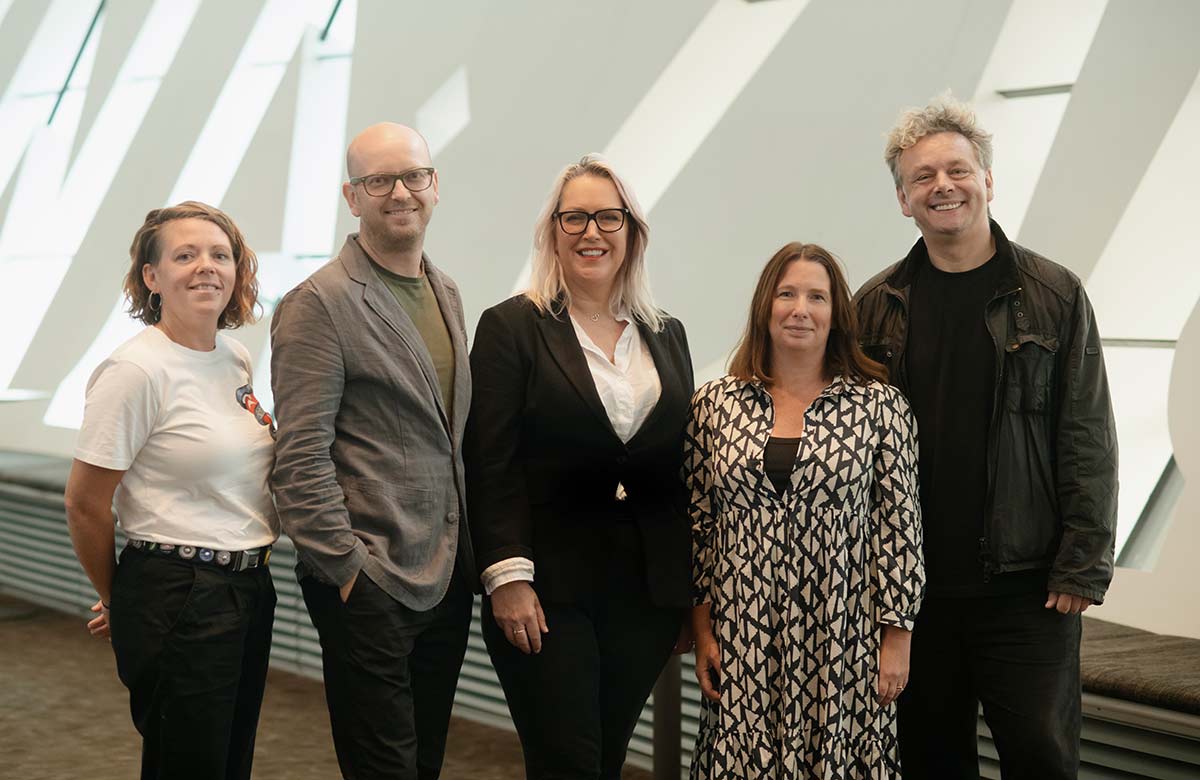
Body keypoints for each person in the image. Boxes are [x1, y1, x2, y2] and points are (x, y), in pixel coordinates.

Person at [854, 95, 1118, 779]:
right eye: (922, 177)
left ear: (988, 181)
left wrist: (1083, 561)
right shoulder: (874, 305)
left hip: (1026, 590)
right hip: (911, 597)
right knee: (930, 764)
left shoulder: (1055, 294)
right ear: (903, 200)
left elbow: (1086, 432)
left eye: (957, 170)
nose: (942, 186)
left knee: (1041, 761)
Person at [464, 154, 694, 779]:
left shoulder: (665, 333)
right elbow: (491, 462)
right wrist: (506, 576)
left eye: (608, 217)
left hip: (642, 596)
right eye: (575, 218)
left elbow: (676, 469)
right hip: (545, 590)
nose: (592, 232)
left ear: (632, 232)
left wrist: (685, 593)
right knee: (567, 761)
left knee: (607, 758)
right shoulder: (513, 327)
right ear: (553, 232)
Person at [270, 123, 475, 780]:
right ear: (350, 197)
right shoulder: (318, 303)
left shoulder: (446, 292)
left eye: (413, 175)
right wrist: (350, 571)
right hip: (370, 583)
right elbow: (298, 459)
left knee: (426, 763)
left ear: (434, 186)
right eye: (378, 180)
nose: (400, 192)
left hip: (446, 578)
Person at [687, 242, 925, 778]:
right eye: (787, 293)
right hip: (743, 629)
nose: (800, 308)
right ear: (764, 308)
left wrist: (897, 638)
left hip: (844, 633)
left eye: (817, 296)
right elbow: (700, 526)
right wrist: (702, 631)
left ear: (838, 313)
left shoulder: (879, 407)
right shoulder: (714, 405)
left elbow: (900, 531)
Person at [64, 201, 277, 780]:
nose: (206, 267)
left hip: (249, 587)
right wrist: (120, 597)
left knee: (231, 760)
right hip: (178, 595)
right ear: (151, 277)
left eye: (220, 254)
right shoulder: (135, 371)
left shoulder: (233, 356)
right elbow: (85, 503)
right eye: (185, 255)